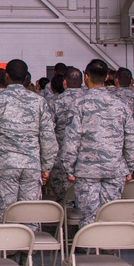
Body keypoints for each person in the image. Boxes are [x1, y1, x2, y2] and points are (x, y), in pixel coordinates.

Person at [60, 59, 134, 227]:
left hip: (87, 170)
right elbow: (132, 139)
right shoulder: (121, 104)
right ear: (105, 78)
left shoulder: (79, 104)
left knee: (88, 217)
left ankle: (90, 250)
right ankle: (108, 248)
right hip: (114, 168)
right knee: (111, 216)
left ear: (86, 76)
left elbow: (71, 140)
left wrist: (69, 168)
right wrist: (129, 167)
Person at [0, 59, 58, 223]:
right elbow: (48, 137)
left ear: (7, 76)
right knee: (29, 213)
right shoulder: (38, 101)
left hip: (5, 165)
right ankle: (27, 246)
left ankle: (6, 248)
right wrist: (46, 167)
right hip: (31, 165)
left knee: (5, 214)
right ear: (25, 78)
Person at [44, 67, 84, 203]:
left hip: (62, 159)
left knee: (65, 200)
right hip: (88, 159)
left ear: (65, 83)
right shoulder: (89, 100)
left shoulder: (55, 102)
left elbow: (48, 132)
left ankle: (66, 223)